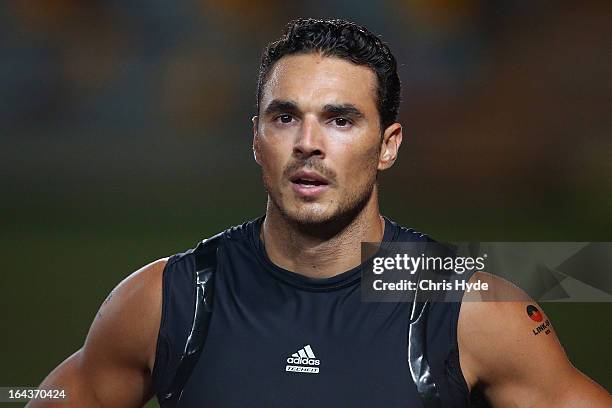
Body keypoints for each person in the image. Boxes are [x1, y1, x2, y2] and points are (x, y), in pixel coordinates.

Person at [28, 18, 610, 408]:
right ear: (256, 139)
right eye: (285, 117)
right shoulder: (168, 300)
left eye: (340, 119)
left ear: (388, 145)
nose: (308, 142)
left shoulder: (468, 309)